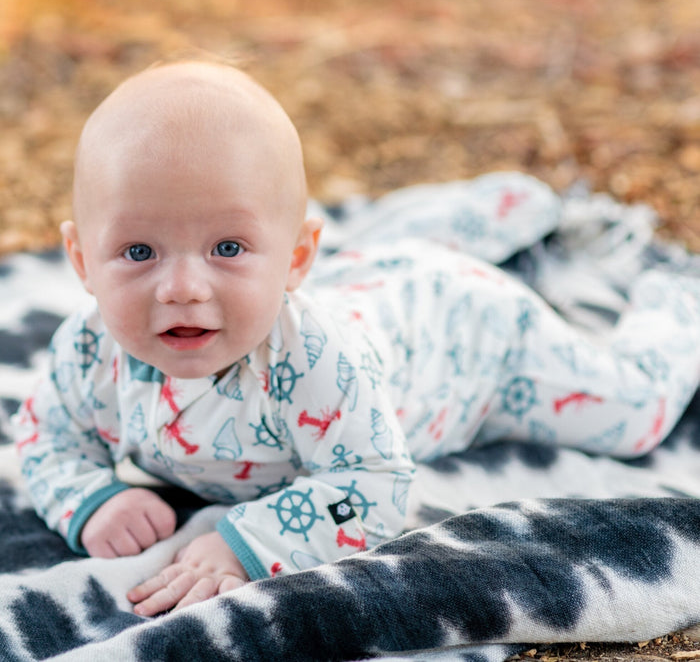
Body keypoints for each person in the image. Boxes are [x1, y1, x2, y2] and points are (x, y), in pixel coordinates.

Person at [12, 60, 700, 618]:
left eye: (227, 246)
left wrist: (244, 542)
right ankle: (473, 215)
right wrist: (89, 498)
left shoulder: (313, 358)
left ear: (295, 258)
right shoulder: (87, 349)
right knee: (385, 259)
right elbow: (43, 437)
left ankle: (676, 297)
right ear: (80, 262)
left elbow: (375, 482)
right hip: (371, 290)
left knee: (633, 417)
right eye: (138, 252)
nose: (183, 287)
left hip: (470, 338)